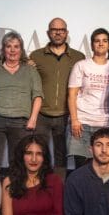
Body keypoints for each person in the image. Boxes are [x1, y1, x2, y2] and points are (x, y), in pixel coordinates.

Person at [0, 31, 44, 172]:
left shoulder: (30, 70)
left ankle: (14, 187)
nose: (12, 50)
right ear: (3, 49)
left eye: (16, 46)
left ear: (21, 49)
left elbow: (37, 96)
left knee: (18, 163)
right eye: (8, 46)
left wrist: (33, 119)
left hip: (21, 123)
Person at [30, 18, 85, 175]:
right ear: (48, 33)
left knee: (61, 156)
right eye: (54, 30)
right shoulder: (36, 56)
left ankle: (59, 186)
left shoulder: (78, 57)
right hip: (41, 115)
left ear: (67, 33)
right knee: (39, 153)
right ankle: (40, 185)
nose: (58, 33)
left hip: (65, 115)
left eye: (61, 30)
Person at [66, 28, 109, 169]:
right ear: (92, 44)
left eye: (104, 41)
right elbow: (72, 95)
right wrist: (74, 120)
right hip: (82, 124)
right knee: (81, 168)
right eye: (97, 41)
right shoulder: (81, 65)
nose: (101, 44)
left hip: (106, 124)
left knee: (102, 168)